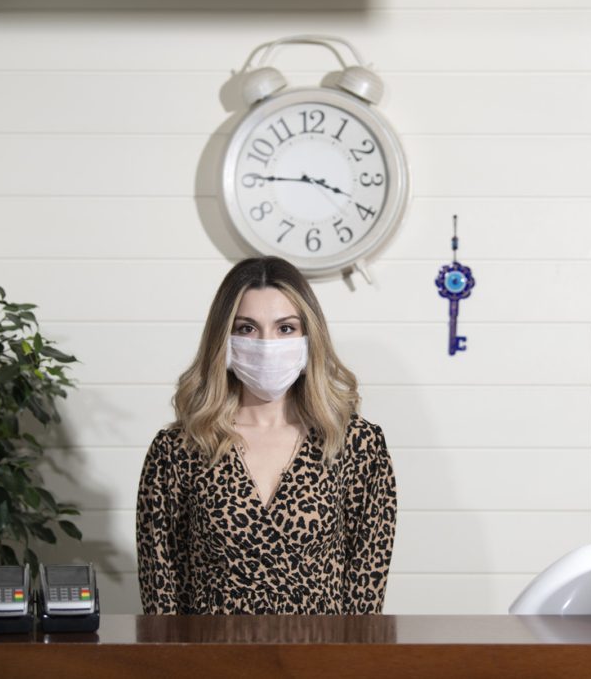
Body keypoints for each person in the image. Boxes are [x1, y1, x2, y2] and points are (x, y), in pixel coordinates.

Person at [136, 256, 397, 615]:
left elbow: (365, 597)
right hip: (209, 651)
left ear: (310, 336)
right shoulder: (178, 449)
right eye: (247, 328)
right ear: (223, 339)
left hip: (322, 650)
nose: (266, 344)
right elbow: (162, 598)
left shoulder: (356, 444)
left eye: (285, 328)